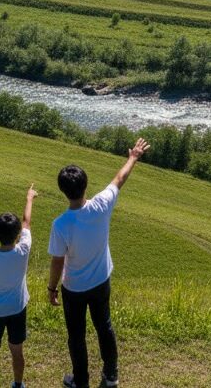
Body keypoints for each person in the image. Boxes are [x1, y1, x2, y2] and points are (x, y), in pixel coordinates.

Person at [47, 138, 151, 388]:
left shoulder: (60, 224)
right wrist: (133, 156)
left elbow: (57, 262)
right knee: (104, 327)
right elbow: (119, 179)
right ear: (86, 185)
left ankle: (80, 381)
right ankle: (111, 376)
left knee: (77, 336)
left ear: (63, 190)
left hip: (74, 288)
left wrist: (51, 289)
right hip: (101, 279)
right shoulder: (102, 204)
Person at [0, 184, 38, 388]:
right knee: (17, 350)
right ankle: (18, 383)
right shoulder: (23, 250)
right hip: (18, 308)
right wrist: (29, 198)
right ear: (17, 235)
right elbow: (27, 222)